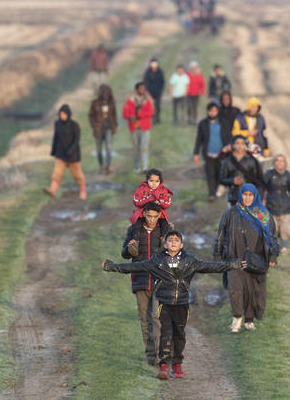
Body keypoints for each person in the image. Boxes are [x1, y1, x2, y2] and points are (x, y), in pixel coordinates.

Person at [102, 230, 244, 379]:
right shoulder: (156, 261)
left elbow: (211, 266)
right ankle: (164, 366)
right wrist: (112, 267)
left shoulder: (190, 261)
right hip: (164, 303)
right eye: (170, 240)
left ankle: (177, 364)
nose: (173, 243)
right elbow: (134, 267)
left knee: (179, 335)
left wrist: (233, 265)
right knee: (166, 333)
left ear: (181, 244)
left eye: (176, 240)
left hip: (182, 304)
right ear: (165, 244)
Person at [213, 183, 280, 333]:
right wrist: (217, 255)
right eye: (245, 194)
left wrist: (273, 255)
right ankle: (236, 319)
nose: (247, 198)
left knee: (253, 291)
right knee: (235, 289)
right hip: (234, 258)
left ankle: (249, 320)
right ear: (240, 195)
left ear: (255, 196)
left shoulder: (263, 215)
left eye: (250, 195)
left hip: (257, 259)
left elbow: (272, 236)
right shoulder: (230, 213)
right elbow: (221, 235)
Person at [120, 203, 172, 366]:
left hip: (160, 281)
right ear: (143, 214)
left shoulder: (165, 232)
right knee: (144, 319)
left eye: (155, 216)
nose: (151, 219)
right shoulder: (134, 231)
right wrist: (129, 250)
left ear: (159, 216)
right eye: (149, 216)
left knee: (156, 318)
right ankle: (149, 355)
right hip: (140, 279)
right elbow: (124, 254)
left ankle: (158, 354)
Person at [263, 154, 290, 254]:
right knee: (273, 229)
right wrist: (261, 200)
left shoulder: (287, 175)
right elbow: (261, 187)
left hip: (284, 206)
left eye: (282, 161)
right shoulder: (268, 174)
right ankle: (272, 248)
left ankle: (283, 248)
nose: (279, 163)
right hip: (271, 205)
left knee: (285, 229)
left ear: (285, 163)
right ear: (274, 162)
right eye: (277, 160)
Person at [43, 104, 87, 200]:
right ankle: (53, 190)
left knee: (77, 175)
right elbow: (56, 138)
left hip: (73, 156)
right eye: (60, 114)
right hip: (61, 154)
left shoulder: (74, 125)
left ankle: (83, 191)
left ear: (68, 114)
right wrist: (53, 151)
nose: (62, 116)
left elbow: (77, 140)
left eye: (64, 114)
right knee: (57, 172)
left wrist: (71, 150)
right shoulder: (57, 124)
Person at [193, 103, 229, 202]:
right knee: (210, 174)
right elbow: (199, 139)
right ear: (208, 112)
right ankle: (211, 194)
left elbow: (227, 137)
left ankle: (218, 191)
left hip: (221, 154)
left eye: (215, 111)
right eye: (211, 111)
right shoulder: (203, 124)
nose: (213, 113)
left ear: (218, 112)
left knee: (219, 173)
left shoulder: (222, 123)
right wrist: (196, 153)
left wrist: (228, 149)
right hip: (208, 153)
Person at [219, 136, 264, 206]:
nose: (240, 146)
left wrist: (260, 198)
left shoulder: (252, 161)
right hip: (233, 197)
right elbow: (221, 179)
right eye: (237, 143)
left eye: (242, 143)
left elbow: (259, 181)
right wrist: (232, 180)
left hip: (249, 198)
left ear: (245, 146)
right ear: (233, 145)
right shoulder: (227, 161)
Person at [122, 82, 154, 173]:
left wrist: (140, 115)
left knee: (144, 147)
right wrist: (130, 116)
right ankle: (136, 167)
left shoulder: (148, 99)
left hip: (145, 127)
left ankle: (145, 167)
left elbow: (151, 112)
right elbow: (125, 113)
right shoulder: (130, 100)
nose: (143, 91)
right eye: (141, 89)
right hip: (134, 127)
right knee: (135, 148)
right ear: (137, 90)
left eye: (144, 89)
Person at [88, 84, 117, 175]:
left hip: (108, 128)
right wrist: (93, 125)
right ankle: (101, 165)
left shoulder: (112, 103)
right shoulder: (95, 103)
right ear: (100, 94)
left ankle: (107, 167)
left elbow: (114, 115)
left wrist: (114, 126)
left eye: (107, 93)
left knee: (109, 148)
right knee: (99, 149)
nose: (105, 95)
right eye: (103, 93)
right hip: (99, 129)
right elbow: (91, 115)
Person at [143, 58, 165, 124]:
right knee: (150, 106)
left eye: (155, 64)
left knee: (157, 106)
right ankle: (151, 119)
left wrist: (160, 90)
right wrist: (147, 91)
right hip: (149, 92)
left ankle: (157, 118)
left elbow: (162, 82)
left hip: (158, 92)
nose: (154, 66)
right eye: (153, 64)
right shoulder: (147, 72)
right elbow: (145, 82)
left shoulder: (160, 72)